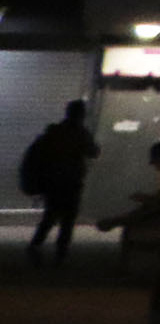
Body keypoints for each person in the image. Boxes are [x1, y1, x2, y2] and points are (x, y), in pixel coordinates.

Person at [19, 99, 100, 265]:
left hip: (53, 183)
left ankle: (36, 245)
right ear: (81, 115)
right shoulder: (80, 133)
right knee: (68, 221)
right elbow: (93, 152)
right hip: (71, 183)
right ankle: (60, 254)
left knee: (50, 216)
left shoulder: (54, 132)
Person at [98, 140, 160, 233]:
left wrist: (145, 198)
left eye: (155, 161)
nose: (154, 166)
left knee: (144, 211)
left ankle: (116, 221)